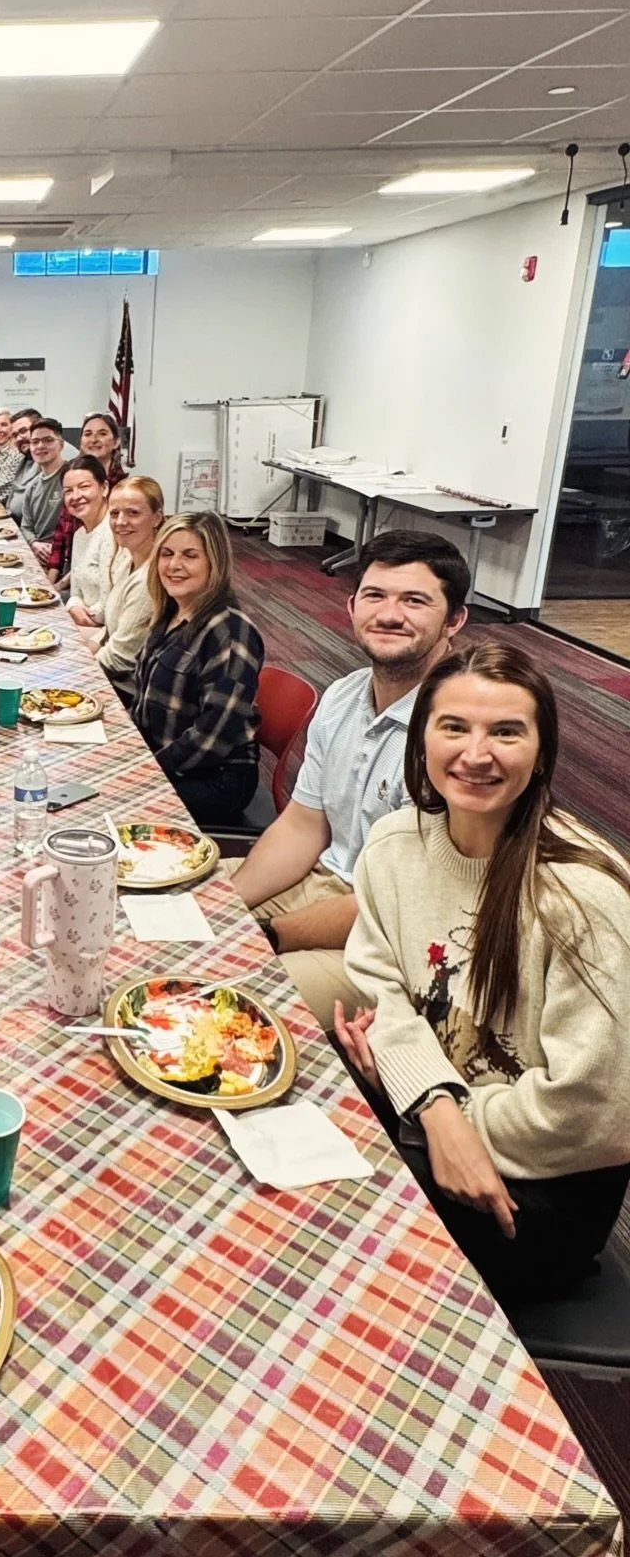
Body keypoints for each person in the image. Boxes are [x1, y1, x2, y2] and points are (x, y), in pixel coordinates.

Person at [337, 643, 630, 1304]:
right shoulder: (395, 845)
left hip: (541, 1187)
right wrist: (437, 1111)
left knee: (324, 1218)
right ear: (422, 741)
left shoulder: (584, 897)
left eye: (506, 731)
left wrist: (433, 1110)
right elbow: (382, 990)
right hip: (442, 1121)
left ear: (543, 751)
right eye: (454, 727)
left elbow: (593, 1112)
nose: (477, 753)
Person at [231, 531, 470, 1028]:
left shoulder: (456, 738)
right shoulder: (343, 695)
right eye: (375, 596)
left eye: (414, 601)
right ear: (351, 605)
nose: (389, 614)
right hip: (321, 882)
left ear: (455, 620)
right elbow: (302, 827)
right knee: (176, 925)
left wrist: (264, 933)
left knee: (232, 997)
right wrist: (227, 904)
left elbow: (393, 904)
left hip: (391, 941)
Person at [129, 512, 263, 825]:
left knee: (105, 804)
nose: (174, 566)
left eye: (190, 555)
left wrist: (145, 771)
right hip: (167, 757)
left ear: (214, 563)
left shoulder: (229, 633)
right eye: (167, 554)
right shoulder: (170, 614)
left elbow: (211, 739)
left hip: (215, 778)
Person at [96, 475, 164, 695]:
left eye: (133, 513)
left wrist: (71, 671)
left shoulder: (150, 578)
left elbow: (119, 659)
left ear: (157, 518)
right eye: (114, 513)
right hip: (110, 673)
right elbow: (111, 632)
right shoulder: (125, 559)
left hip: (128, 692)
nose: (121, 521)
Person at [41, 414, 126, 581]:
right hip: (71, 566)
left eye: (102, 433)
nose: (94, 439)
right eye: (88, 434)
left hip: (98, 573)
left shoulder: (123, 489)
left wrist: (61, 585)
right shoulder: (72, 477)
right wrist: (50, 581)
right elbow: (60, 533)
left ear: (116, 442)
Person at [60, 457, 116, 626]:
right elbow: (75, 592)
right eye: (68, 491)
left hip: (103, 628)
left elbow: (109, 607)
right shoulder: (79, 535)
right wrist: (73, 607)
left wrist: (79, 615)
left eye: (84, 487)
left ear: (104, 488)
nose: (75, 496)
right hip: (82, 620)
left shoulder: (113, 532)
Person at [18, 418, 76, 546]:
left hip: (63, 551)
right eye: (35, 442)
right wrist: (34, 543)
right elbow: (26, 527)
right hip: (37, 550)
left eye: (48, 440)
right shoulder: (32, 486)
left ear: (61, 445)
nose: (40, 446)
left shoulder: (72, 478)